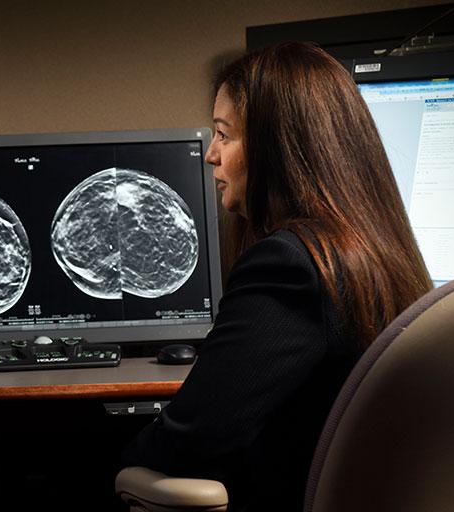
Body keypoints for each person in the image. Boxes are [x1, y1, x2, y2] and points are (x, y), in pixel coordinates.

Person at [121, 42, 432, 511]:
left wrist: (117, 463)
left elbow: (190, 440)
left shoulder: (291, 265)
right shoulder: (378, 253)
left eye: (224, 135)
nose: (211, 155)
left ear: (275, 146)